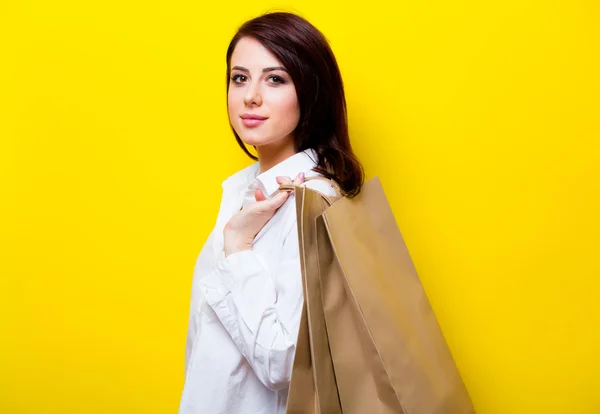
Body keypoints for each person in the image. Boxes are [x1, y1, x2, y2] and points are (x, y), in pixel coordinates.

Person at [178, 11, 364, 414]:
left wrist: (238, 247)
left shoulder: (311, 201)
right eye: (239, 77)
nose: (250, 96)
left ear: (310, 91)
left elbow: (285, 363)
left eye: (275, 79)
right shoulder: (242, 190)